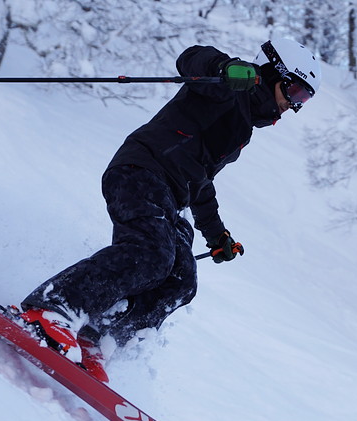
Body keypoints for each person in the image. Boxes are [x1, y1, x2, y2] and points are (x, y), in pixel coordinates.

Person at [17, 38, 322, 383]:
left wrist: (217, 234)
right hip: (140, 171)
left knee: (181, 280)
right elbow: (191, 59)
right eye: (296, 93)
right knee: (150, 253)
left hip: (171, 195)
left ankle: (98, 337)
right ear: (273, 73)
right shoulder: (226, 87)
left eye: (304, 100)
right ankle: (52, 308)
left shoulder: (242, 127)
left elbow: (201, 182)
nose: (294, 106)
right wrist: (224, 69)